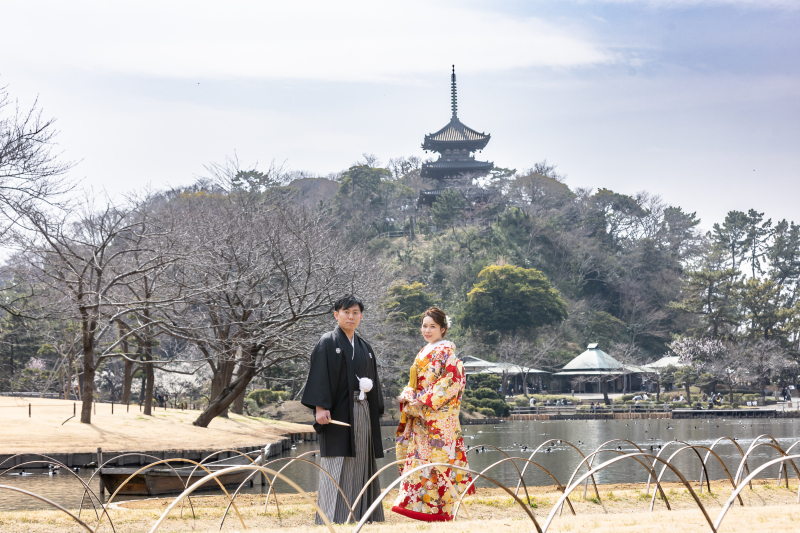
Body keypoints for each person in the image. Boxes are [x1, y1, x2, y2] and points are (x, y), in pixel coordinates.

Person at [301, 295, 385, 525]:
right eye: (346, 312)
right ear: (336, 314)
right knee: (336, 460)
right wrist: (320, 407)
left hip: (362, 411)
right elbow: (319, 376)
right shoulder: (327, 342)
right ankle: (331, 516)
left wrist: (375, 414)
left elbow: (374, 383)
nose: (351, 316)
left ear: (361, 316)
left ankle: (362, 515)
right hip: (336, 413)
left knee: (361, 461)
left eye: (355, 312)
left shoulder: (365, 347)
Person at [393, 307, 475, 521]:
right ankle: (423, 507)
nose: (427, 330)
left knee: (439, 461)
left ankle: (443, 510)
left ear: (443, 329)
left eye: (432, 327)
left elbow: (452, 381)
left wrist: (423, 399)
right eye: (424, 326)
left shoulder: (447, 352)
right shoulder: (423, 352)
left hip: (438, 418)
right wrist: (408, 395)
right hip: (421, 416)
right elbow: (414, 381)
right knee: (421, 460)